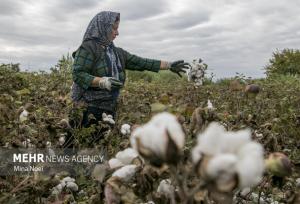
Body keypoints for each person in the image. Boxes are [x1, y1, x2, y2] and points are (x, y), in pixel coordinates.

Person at [65, 11, 189, 146]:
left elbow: (142, 62)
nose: (117, 33)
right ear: (103, 27)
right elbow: (78, 74)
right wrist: (102, 82)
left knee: (100, 150)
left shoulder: (117, 53)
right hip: (87, 110)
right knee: (78, 149)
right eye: (114, 28)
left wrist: (169, 65)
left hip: (108, 109)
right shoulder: (88, 48)